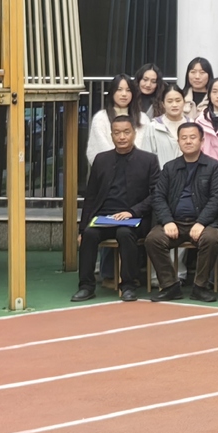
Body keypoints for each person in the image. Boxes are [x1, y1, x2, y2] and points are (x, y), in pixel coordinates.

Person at [73, 116, 159, 303]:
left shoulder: (149, 160)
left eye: (126, 132)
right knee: (89, 234)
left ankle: (128, 285)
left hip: (134, 218)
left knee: (124, 233)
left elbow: (156, 195)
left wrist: (133, 212)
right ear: (111, 135)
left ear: (134, 133)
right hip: (104, 217)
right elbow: (91, 196)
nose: (122, 137)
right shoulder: (101, 159)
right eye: (117, 133)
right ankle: (86, 286)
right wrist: (82, 228)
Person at [145, 122, 218, 302]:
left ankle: (200, 287)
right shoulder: (170, 167)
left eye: (192, 137)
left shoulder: (214, 167)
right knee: (153, 239)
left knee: (211, 239)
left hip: (203, 223)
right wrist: (167, 220)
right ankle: (170, 286)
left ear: (202, 141)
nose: (188, 141)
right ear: (178, 142)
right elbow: (158, 196)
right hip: (174, 221)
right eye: (184, 138)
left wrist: (201, 222)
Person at [87, 74, 150, 167]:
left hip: (139, 169)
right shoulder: (100, 118)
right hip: (109, 169)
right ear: (112, 92)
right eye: (119, 89)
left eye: (128, 90)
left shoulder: (143, 118)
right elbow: (98, 149)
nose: (124, 94)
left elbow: (148, 148)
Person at [144, 83, 194, 167]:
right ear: (163, 104)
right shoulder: (153, 127)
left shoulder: (192, 125)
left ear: (184, 102)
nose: (174, 105)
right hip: (161, 174)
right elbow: (146, 157)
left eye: (178, 100)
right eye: (170, 101)